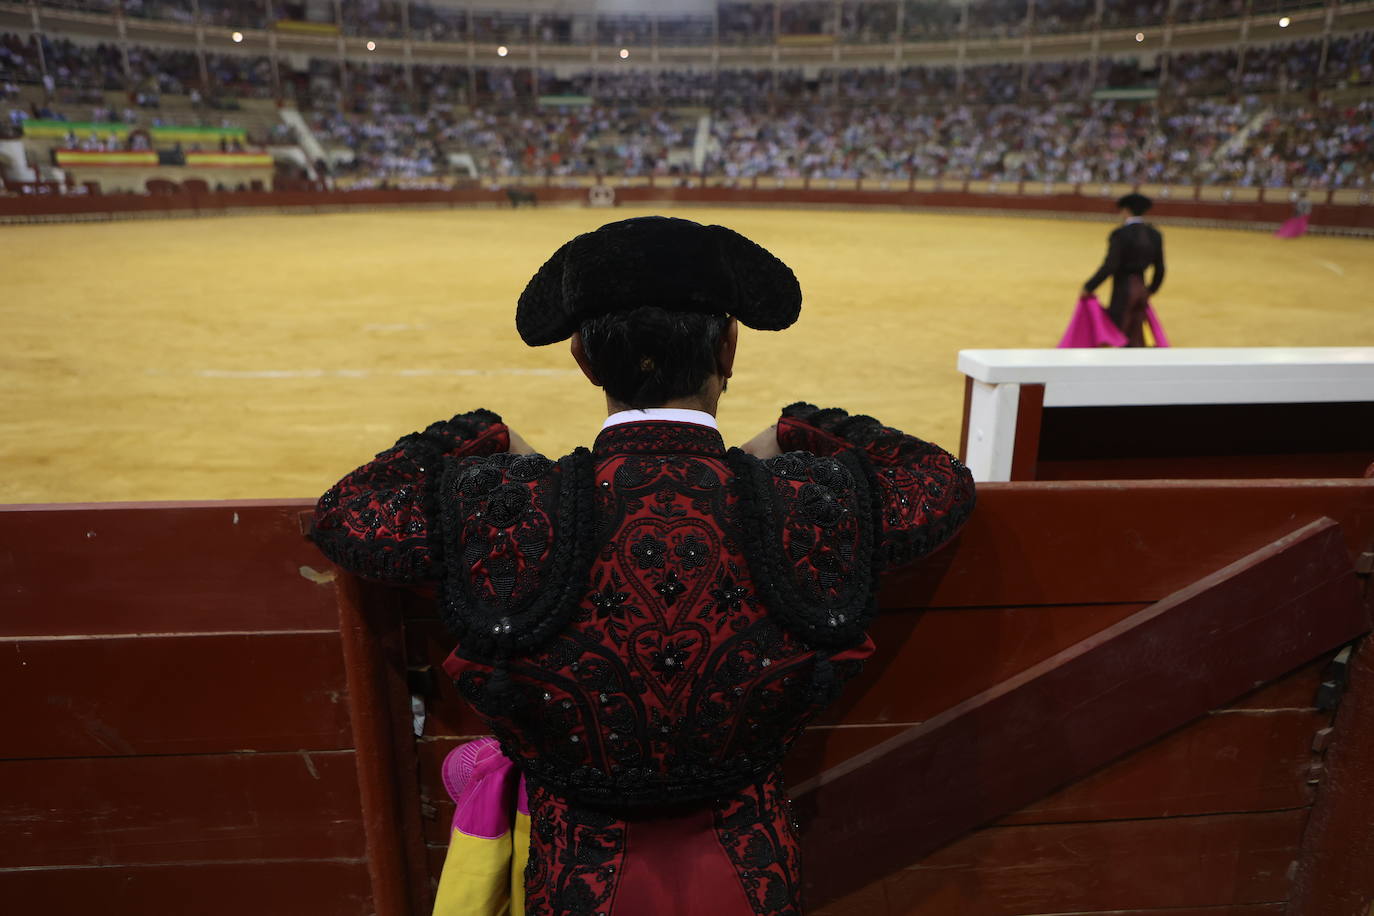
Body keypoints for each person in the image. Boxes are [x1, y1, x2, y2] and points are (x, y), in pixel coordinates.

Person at [310, 216, 976, 916]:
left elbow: (348, 513)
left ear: (583, 359)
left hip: (577, 885)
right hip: (751, 876)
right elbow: (938, 483)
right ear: (730, 345)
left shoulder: (516, 508)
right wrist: (791, 431)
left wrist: (495, 439)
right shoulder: (800, 502)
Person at [1082, 192, 1166, 348]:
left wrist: (1089, 286)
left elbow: (1110, 265)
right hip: (1141, 288)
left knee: (1119, 330)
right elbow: (1160, 268)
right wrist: (1150, 290)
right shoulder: (1155, 234)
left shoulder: (1120, 234)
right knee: (1135, 330)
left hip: (1124, 288)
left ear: (1126, 210)